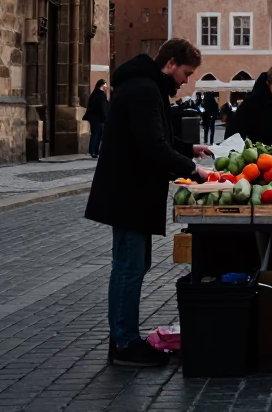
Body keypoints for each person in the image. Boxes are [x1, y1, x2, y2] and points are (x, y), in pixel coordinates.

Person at [85, 37, 209, 367]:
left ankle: (125, 338)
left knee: (133, 266)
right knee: (129, 268)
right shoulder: (143, 89)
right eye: (186, 73)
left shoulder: (146, 86)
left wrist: (187, 149)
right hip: (129, 194)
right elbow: (152, 146)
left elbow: (157, 136)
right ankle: (124, 343)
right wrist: (194, 170)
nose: (186, 81)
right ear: (170, 65)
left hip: (132, 193)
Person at [83, 78, 108, 158]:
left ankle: (94, 151)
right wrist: (105, 116)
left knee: (97, 134)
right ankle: (93, 151)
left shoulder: (94, 94)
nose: (105, 88)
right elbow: (103, 107)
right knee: (96, 134)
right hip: (98, 118)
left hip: (95, 118)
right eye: (104, 87)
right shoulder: (100, 95)